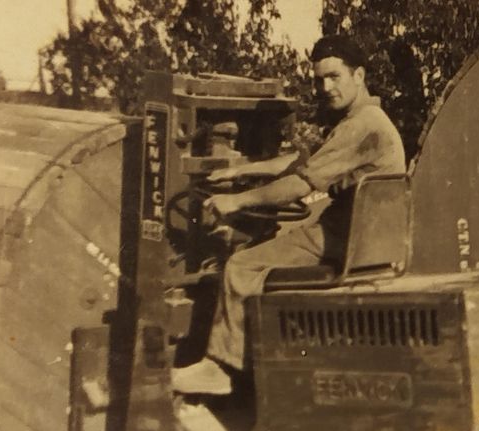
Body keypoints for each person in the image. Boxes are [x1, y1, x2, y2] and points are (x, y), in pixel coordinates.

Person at [172, 35, 405, 395]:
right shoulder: (361, 120)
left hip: (342, 237)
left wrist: (237, 201)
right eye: (318, 79)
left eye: (333, 77)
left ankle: (221, 368)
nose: (325, 87)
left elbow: (300, 183)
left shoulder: (363, 125)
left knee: (240, 265)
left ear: (358, 75)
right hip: (359, 235)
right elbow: (302, 161)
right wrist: (238, 172)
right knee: (274, 240)